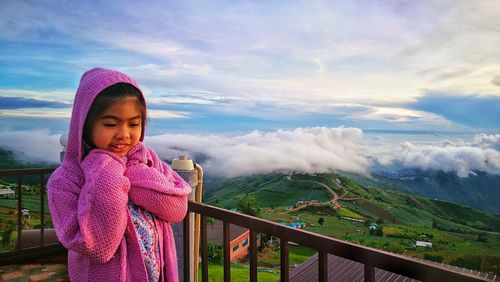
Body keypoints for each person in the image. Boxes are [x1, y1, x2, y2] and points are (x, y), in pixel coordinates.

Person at [48, 67, 192, 282]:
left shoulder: (146, 160)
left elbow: (177, 209)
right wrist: (106, 169)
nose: (124, 135)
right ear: (85, 126)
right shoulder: (65, 181)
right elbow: (98, 248)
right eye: (110, 124)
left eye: (134, 124)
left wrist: (133, 172)